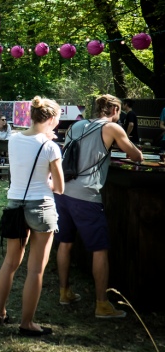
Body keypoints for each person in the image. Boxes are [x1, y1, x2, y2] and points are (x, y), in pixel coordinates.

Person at [55, 94, 143, 318]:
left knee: (65, 243)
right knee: (99, 249)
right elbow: (136, 156)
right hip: (87, 195)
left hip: (64, 192)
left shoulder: (77, 126)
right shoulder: (113, 128)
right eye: (120, 111)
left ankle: (64, 293)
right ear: (114, 109)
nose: (120, 115)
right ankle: (102, 304)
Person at [0, 97, 64, 337]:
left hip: (15, 204)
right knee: (35, 269)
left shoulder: (13, 139)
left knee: (10, 263)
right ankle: (27, 323)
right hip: (41, 206)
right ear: (52, 119)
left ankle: (0, 312)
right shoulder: (51, 147)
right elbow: (60, 187)